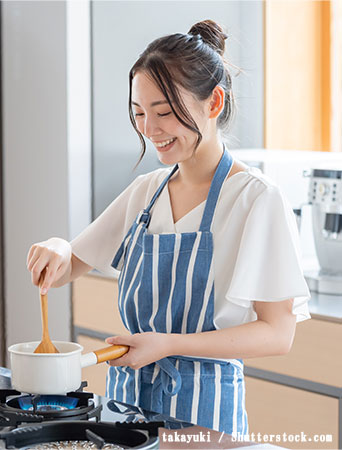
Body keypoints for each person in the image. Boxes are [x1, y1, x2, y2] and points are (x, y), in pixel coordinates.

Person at [26, 20, 310, 436]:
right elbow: (71, 264)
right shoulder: (147, 193)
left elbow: (277, 333)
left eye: (163, 112)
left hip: (205, 419)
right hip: (128, 410)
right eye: (139, 113)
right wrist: (55, 247)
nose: (149, 129)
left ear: (214, 103)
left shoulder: (255, 199)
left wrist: (171, 344)